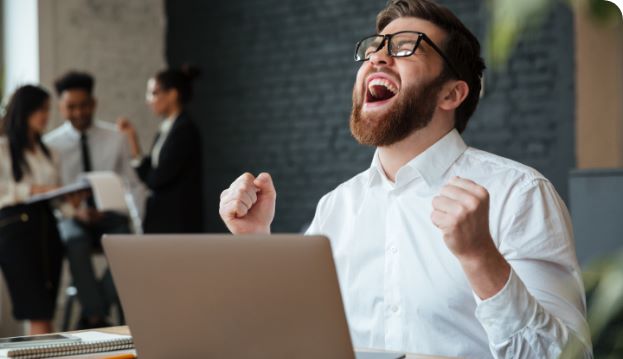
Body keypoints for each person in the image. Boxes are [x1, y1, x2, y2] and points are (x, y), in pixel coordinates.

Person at [218, 0, 592, 358]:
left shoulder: (519, 195)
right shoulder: (335, 207)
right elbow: (299, 336)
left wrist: (481, 259)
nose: (377, 57)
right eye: (374, 49)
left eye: (405, 47)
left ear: (451, 93)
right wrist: (256, 243)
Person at [44, 71, 145, 329]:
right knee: (73, 240)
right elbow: (50, 193)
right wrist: (75, 212)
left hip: (110, 215)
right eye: (71, 107)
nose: (78, 112)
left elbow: (130, 182)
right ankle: (98, 315)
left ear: (94, 103)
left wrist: (131, 215)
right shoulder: (50, 144)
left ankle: (92, 315)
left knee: (129, 245)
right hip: (72, 216)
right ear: (61, 107)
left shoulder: (115, 138)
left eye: (84, 105)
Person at [0, 85, 64, 334]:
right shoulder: (3, 148)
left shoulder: (48, 151)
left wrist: (74, 203)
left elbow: (55, 195)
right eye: (40, 110)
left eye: (47, 110)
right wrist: (32, 190)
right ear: (25, 111)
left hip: (46, 226)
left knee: (45, 310)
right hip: (15, 228)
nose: (45, 116)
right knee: (35, 308)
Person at [117, 66, 203, 233]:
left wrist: (148, 175)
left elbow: (157, 178)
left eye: (154, 93)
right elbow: (151, 172)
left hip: (177, 221)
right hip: (164, 216)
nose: (149, 100)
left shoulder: (184, 130)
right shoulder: (167, 128)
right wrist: (132, 138)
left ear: (172, 94)